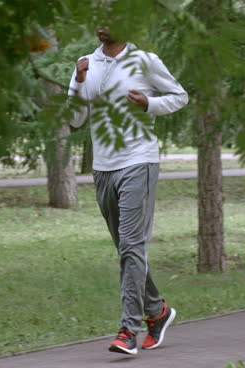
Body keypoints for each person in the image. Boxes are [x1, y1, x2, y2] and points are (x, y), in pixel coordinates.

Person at [67, 25, 188, 355]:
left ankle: (128, 329)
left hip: (139, 160)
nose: (102, 24)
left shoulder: (145, 61)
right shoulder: (84, 64)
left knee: (133, 245)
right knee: (127, 249)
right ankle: (158, 312)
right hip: (103, 167)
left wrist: (149, 103)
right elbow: (75, 119)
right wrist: (78, 83)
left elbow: (179, 97)